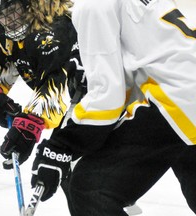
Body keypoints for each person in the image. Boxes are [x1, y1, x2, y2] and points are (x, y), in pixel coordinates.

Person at [30, 0, 196, 215]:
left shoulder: (93, 5)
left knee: (90, 189)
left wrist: (62, 146)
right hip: (185, 93)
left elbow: (107, 96)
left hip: (179, 100)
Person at [0, 0, 86, 213]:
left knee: (80, 179)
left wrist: (27, 128)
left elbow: (55, 86)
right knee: (72, 177)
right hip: (81, 107)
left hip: (105, 105)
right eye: (0, 15)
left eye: (12, 11)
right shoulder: (4, 33)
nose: (8, 21)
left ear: (29, 5)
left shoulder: (54, 30)